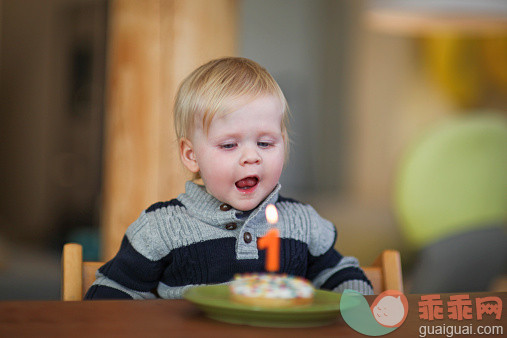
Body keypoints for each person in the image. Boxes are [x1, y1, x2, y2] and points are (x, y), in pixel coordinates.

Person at [85, 57, 373, 299]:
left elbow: (340, 274)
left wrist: (359, 306)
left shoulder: (302, 223)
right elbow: (112, 294)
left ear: (284, 144)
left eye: (265, 143)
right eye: (229, 145)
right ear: (191, 155)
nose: (251, 157)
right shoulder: (161, 228)